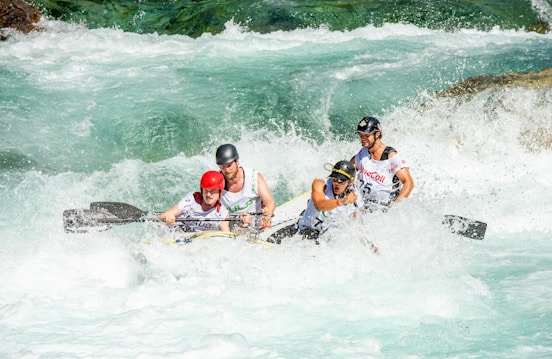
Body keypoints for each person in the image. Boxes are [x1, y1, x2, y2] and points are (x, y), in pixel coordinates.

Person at [269, 160, 359, 243]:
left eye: (341, 181)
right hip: (304, 230)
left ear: (350, 182)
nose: (336, 183)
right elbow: (319, 205)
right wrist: (342, 201)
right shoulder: (320, 184)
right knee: (270, 240)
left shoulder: (354, 197)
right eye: (334, 179)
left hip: (324, 239)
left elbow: (353, 227)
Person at [350, 116, 414, 211]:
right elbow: (346, 170)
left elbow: (409, 183)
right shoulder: (362, 153)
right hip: (364, 205)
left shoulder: (391, 156)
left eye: (366, 135)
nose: (362, 138)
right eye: (360, 135)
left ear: (377, 134)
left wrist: (394, 208)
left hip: (383, 209)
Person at [215, 143, 276, 229]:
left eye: (229, 165)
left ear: (237, 161)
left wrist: (268, 211)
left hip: (257, 228)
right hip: (230, 229)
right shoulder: (216, 181)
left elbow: (270, 202)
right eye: (222, 167)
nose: (226, 170)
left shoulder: (254, 177)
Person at [158, 170, 230, 232]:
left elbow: (226, 235)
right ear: (201, 191)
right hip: (178, 232)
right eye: (206, 190)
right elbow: (161, 217)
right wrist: (169, 217)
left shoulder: (222, 213)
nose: (208, 194)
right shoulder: (191, 200)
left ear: (220, 192)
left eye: (212, 191)